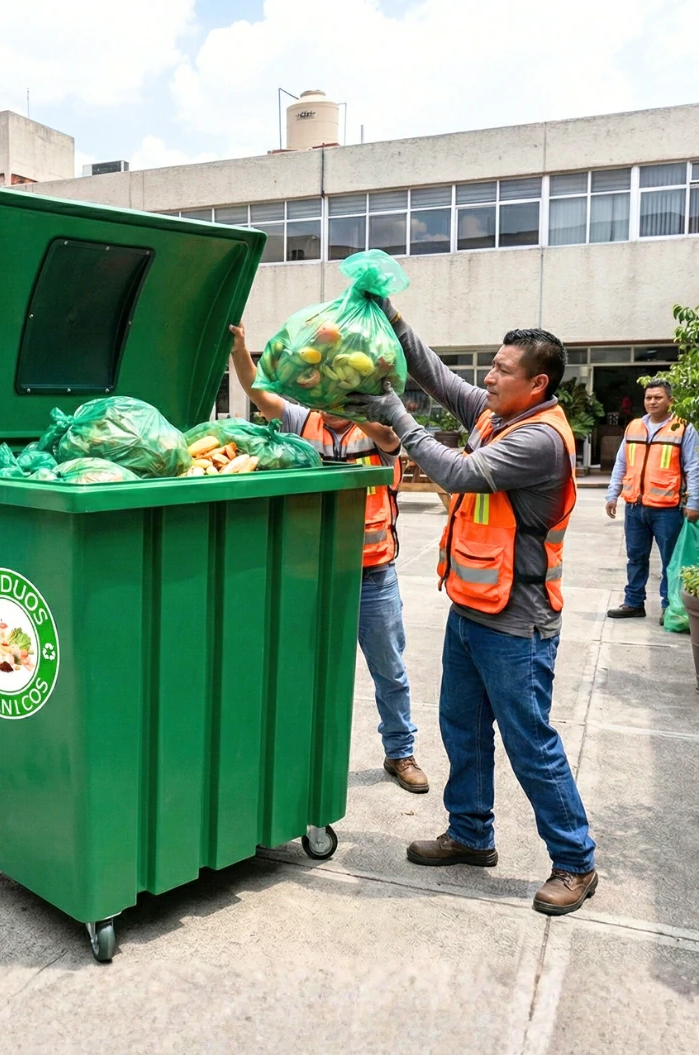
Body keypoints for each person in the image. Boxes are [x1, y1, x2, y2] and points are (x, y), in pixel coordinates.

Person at [349, 308, 597, 916]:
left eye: (501, 369)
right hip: (471, 608)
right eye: (491, 365)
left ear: (536, 383)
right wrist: (392, 316)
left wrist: (394, 416)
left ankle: (575, 861)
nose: (487, 377)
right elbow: (434, 375)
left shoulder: (538, 439)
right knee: (462, 728)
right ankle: (470, 834)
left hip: (519, 624)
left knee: (530, 743)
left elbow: (457, 471)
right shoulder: (498, 413)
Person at [229, 324, 428, 794]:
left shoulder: (378, 429)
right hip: (311, 571)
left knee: (389, 669)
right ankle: (297, 750)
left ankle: (400, 752)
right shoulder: (303, 421)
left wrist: (349, 401)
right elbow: (258, 392)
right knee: (301, 664)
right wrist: (240, 349)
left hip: (372, 572)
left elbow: (386, 438)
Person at [604, 379, 699, 624]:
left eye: (658, 397)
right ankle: (634, 603)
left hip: (668, 510)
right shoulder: (634, 427)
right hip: (635, 507)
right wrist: (612, 494)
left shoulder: (683, 429)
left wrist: (694, 503)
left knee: (670, 561)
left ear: (670, 401)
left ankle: (669, 607)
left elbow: (694, 467)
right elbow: (621, 463)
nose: (652, 401)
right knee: (635, 557)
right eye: (648, 398)